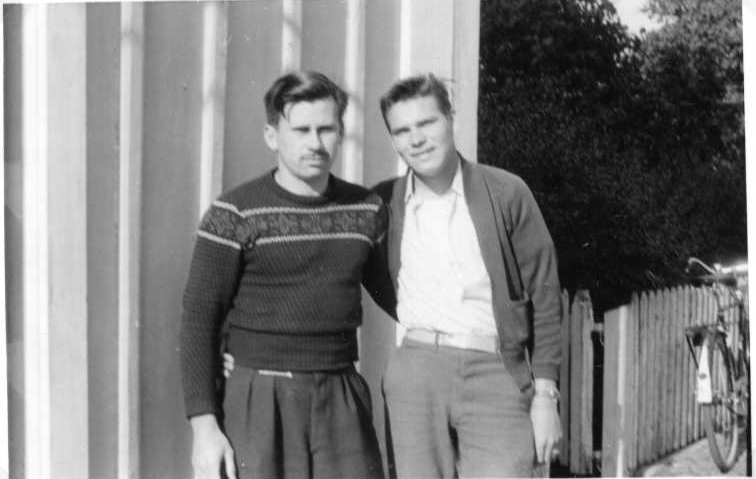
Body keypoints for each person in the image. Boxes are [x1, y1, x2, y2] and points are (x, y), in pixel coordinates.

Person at [180, 71, 391, 479]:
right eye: (301, 130)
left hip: (340, 394)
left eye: (326, 129)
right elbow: (199, 320)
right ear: (272, 135)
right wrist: (204, 427)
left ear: (341, 133)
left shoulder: (366, 210)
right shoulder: (234, 213)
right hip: (260, 398)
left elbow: (400, 295)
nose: (315, 143)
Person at [373, 73, 563, 478]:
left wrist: (546, 395)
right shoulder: (383, 203)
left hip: (496, 370)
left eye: (427, 123)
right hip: (416, 373)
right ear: (393, 140)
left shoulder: (506, 192)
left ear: (450, 118)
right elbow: (373, 278)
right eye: (402, 131)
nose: (417, 139)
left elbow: (545, 296)